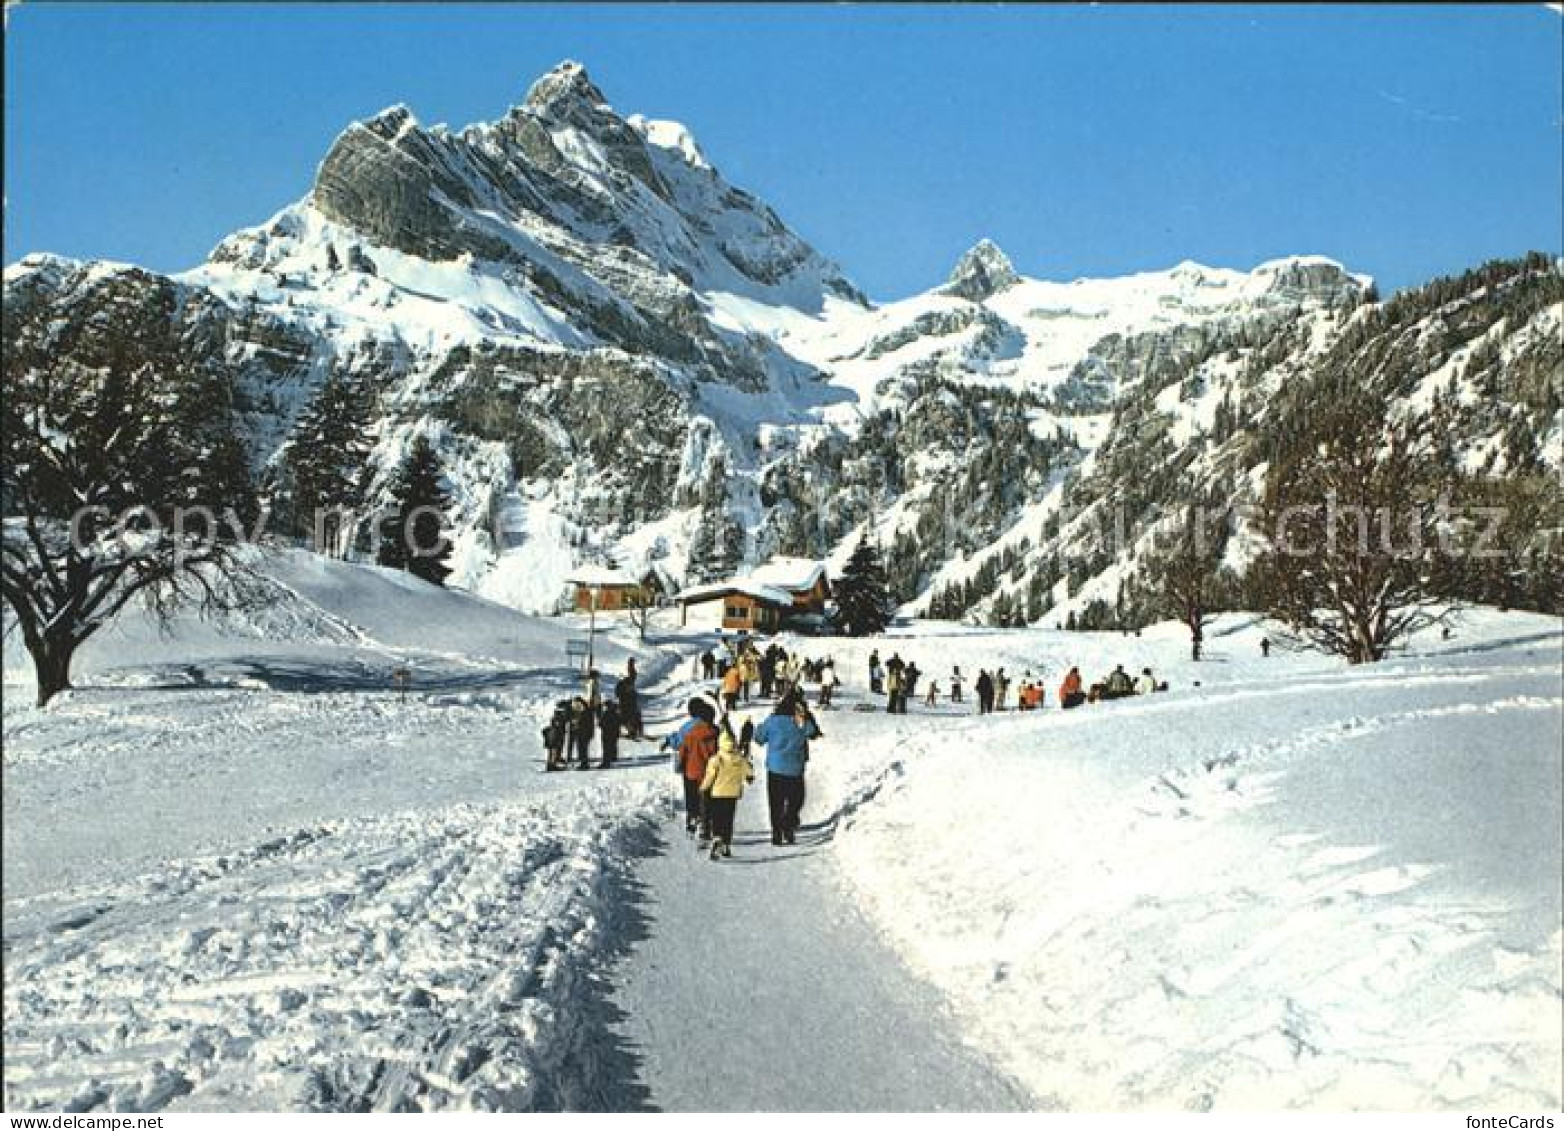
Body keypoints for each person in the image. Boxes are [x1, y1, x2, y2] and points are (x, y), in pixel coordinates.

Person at [754, 692, 820, 846]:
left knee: (775, 802)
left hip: (775, 769)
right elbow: (812, 732)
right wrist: (806, 717)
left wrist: (758, 728)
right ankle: (788, 824)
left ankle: (776, 833)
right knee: (795, 801)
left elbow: (759, 738)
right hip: (795, 769)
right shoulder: (800, 721)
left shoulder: (773, 720)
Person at [701, 718, 755, 860]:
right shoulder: (739, 758)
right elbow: (748, 772)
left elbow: (710, 776)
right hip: (732, 795)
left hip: (717, 794)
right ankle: (726, 844)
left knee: (717, 818)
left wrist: (703, 787)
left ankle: (717, 837)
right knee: (728, 819)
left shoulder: (716, 759)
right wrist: (749, 778)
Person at [678, 697, 720, 838]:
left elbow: (683, 751)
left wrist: (681, 765)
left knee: (691, 796)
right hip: (710, 772)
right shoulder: (717, 733)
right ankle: (706, 826)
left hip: (692, 770)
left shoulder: (691, 734)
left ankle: (692, 818)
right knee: (708, 800)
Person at [542, 699, 572, 771]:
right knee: (554, 749)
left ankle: (550, 764)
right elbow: (566, 719)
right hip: (556, 733)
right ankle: (552, 765)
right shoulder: (560, 714)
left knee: (551, 750)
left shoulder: (556, 714)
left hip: (552, 734)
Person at [616, 660, 642, 740]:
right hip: (625, 707)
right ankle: (630, 732)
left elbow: (633, 674)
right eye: (629, 686)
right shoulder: (622, 690)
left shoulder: (629, 686)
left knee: (633, 718)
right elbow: (619, 696)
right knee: (625, 720)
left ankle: (633, 732)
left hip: (631, 706)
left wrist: (631, 664)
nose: (631, 687)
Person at [569, 695, 596, 769]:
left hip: (584, 733)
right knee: (581, 748)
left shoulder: (585, 711)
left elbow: (585, 723)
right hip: (582, 732)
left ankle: (584, 763)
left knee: (583, 748)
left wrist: (576, 723)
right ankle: (583, 762)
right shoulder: (582, 710)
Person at [597, 698, 621, 768]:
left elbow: (601, 724)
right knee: (613, 745)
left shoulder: (606, 714)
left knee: (606, 748)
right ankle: (613, 757)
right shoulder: (616, 713)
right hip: (614, 733)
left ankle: (606, 762)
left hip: (607, 733)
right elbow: (619, 722)